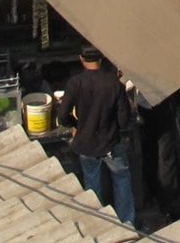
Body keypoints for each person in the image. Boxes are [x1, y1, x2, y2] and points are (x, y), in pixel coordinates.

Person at [57, 45, 137, 227]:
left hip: (85, 144)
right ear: (101, 60)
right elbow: (124, 119)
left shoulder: (75, 83)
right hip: (111, 143)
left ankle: (98, 224)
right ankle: (127, 222)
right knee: (121, 179)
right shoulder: (114, 84)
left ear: (81, 59)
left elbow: (62, 116)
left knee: (92, 183)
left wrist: (75, 125)